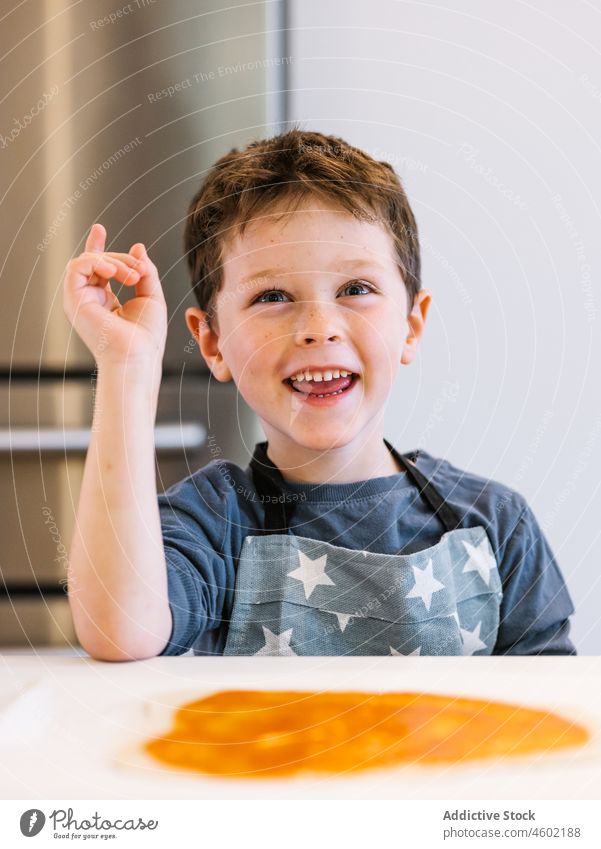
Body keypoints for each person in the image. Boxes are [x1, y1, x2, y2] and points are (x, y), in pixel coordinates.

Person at [63, 128, 575, 660]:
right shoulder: (213, 523)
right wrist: (128, 365)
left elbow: (549, 717)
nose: (318, 327)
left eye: (356, 289)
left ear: (411, 325)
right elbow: (120, 631)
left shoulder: (494, 526)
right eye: (272, 296)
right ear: (212, 342)